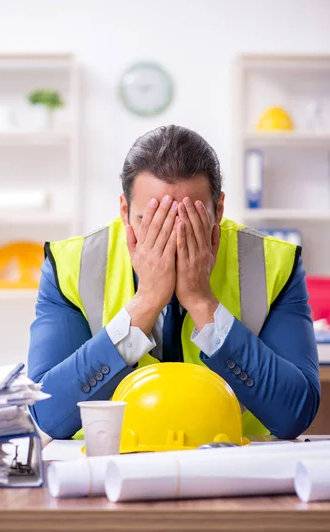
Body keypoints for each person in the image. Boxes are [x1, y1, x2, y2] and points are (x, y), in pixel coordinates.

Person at [28, 125, 320, 440]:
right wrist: (146, 303)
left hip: (234, 465)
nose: (172, 237)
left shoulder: (273, 263)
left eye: (189, 220)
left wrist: (202, 302)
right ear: (125, 211)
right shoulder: (72, 265)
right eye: (151, 220)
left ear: (218, 210)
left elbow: (295, 414)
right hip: (110, 467)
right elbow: (49, 413)